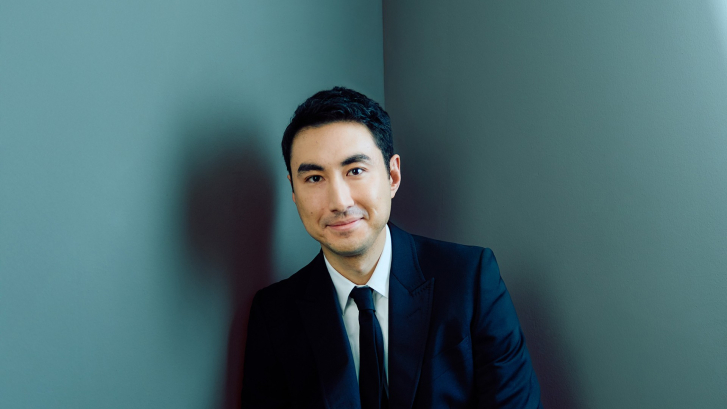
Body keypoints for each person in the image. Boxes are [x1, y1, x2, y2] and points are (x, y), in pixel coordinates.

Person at [241, 87, 542, 408]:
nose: (339, 202)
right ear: (293, 191)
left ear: (392, 175)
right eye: (314, 178)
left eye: (355, 171)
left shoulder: (471, 280)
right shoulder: (274, 316)